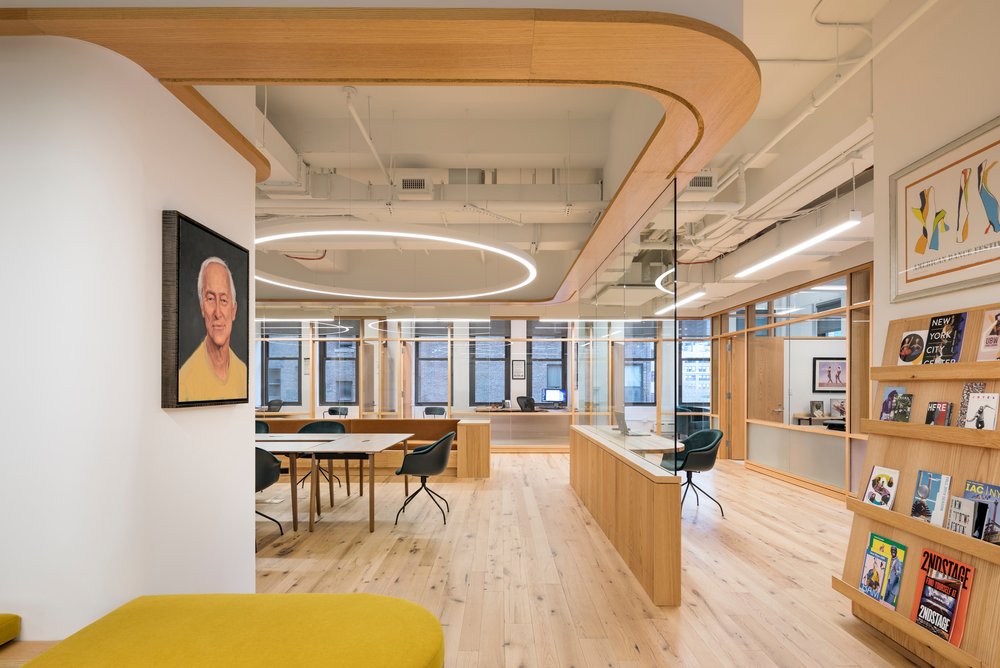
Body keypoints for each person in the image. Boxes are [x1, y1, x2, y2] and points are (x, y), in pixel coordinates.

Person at [177, 257, 247, 402]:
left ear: (233, 310)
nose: (217, 313)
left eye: (223, 300)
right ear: (202, 307)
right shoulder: (184, 382)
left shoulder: (243, 373)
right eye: (210, 299)